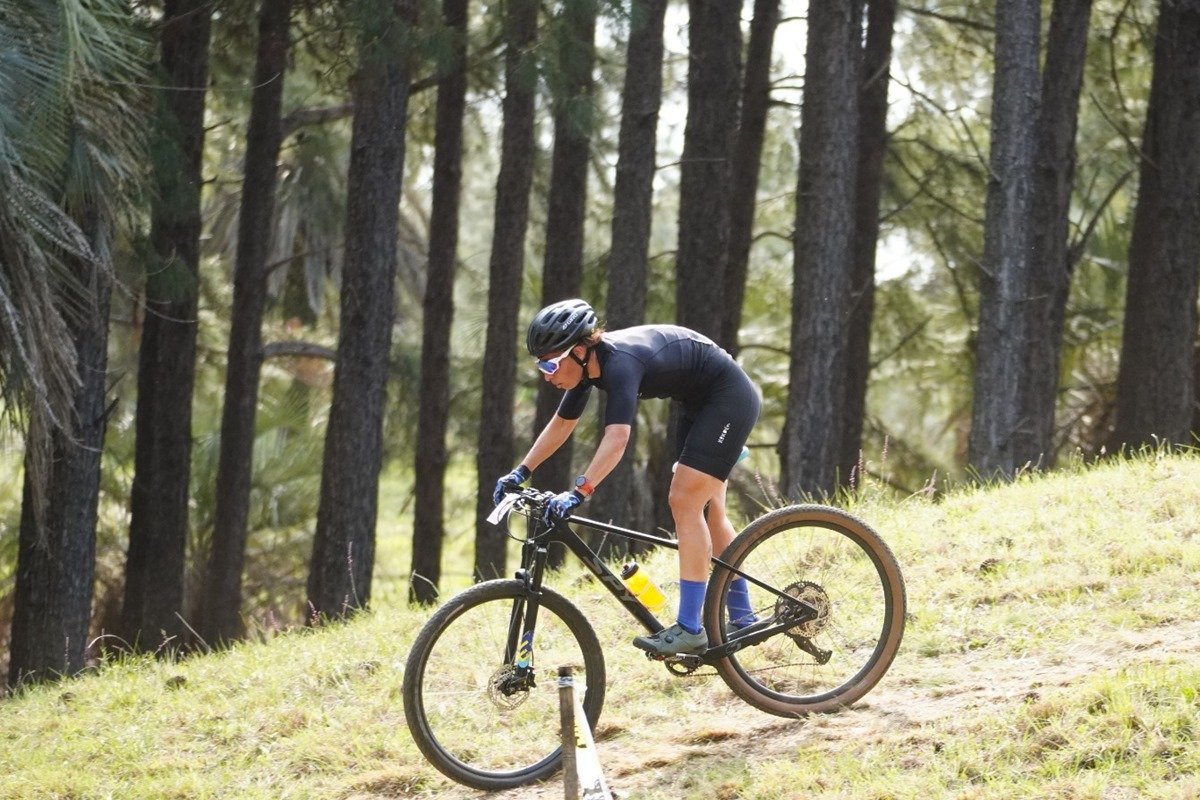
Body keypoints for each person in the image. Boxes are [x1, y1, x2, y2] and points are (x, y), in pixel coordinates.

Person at [492, 298, 762, 656]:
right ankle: (744, 618)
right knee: (709, 509)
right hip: (700, 403)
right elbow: (562, 424)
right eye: (541, 364)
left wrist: (580, 491)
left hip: (728, 398)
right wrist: (521, 471)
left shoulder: (619, 363)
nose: (546, 374)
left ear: (579, 350)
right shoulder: (586, 367)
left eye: (551, 363)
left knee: (684, 501)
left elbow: (617, 439)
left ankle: (690, 629)